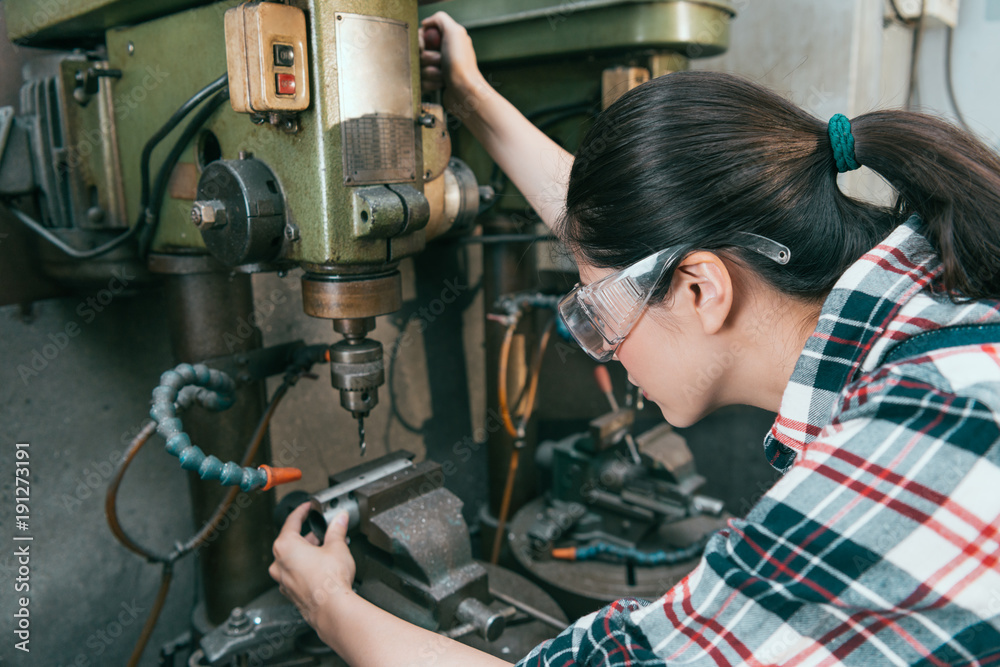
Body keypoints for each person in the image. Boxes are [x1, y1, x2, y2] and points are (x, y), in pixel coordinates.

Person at [269, 11, 1000, 666]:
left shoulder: (911, 454)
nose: (604, 346)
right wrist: (473, 100)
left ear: (700, 290)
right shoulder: (942, 286)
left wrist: (330, 604)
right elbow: (634, 240)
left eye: (602, 313)